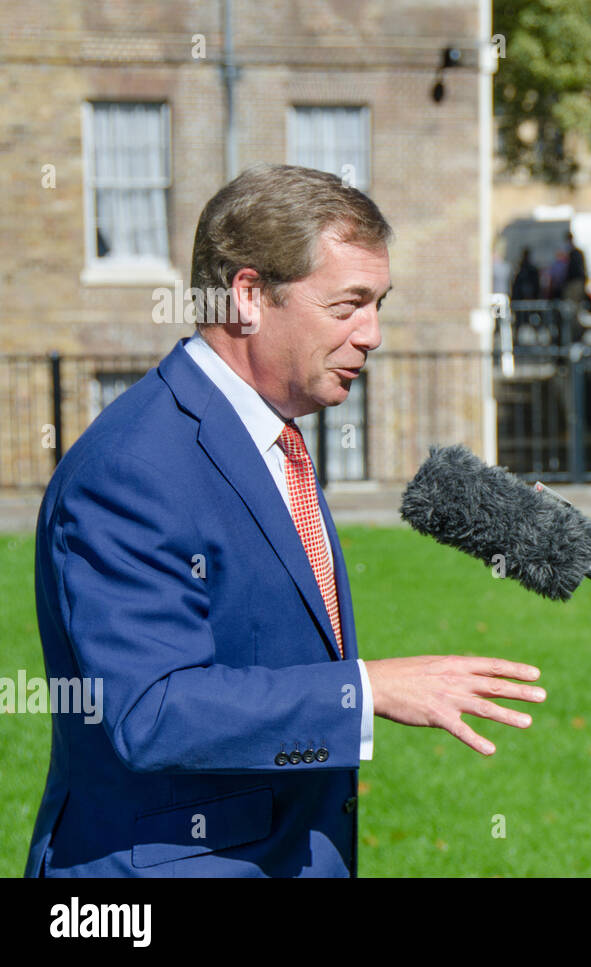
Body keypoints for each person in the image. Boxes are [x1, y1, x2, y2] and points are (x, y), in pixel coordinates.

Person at [26, 164, 546, 877]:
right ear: (247, 296)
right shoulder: (132, 466)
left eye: (379, 303)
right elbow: (150, 708)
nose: (374, 334)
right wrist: (366, 690)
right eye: (348, 304)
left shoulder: (274, 432)